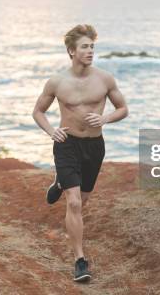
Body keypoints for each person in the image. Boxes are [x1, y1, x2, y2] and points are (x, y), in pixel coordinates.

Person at [32, 24, 129, 283]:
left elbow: (123, 109)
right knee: (73, 202)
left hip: (94, 147)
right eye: (85, 47)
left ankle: (61, 181)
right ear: (71, 51)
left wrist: (105, 118)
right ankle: (79, 260)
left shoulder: (105, 79)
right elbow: (38, 112)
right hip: (67, 144)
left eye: (92, 47)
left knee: (83, 200)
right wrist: (51, 131)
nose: (90, 51)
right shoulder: (57, 82)